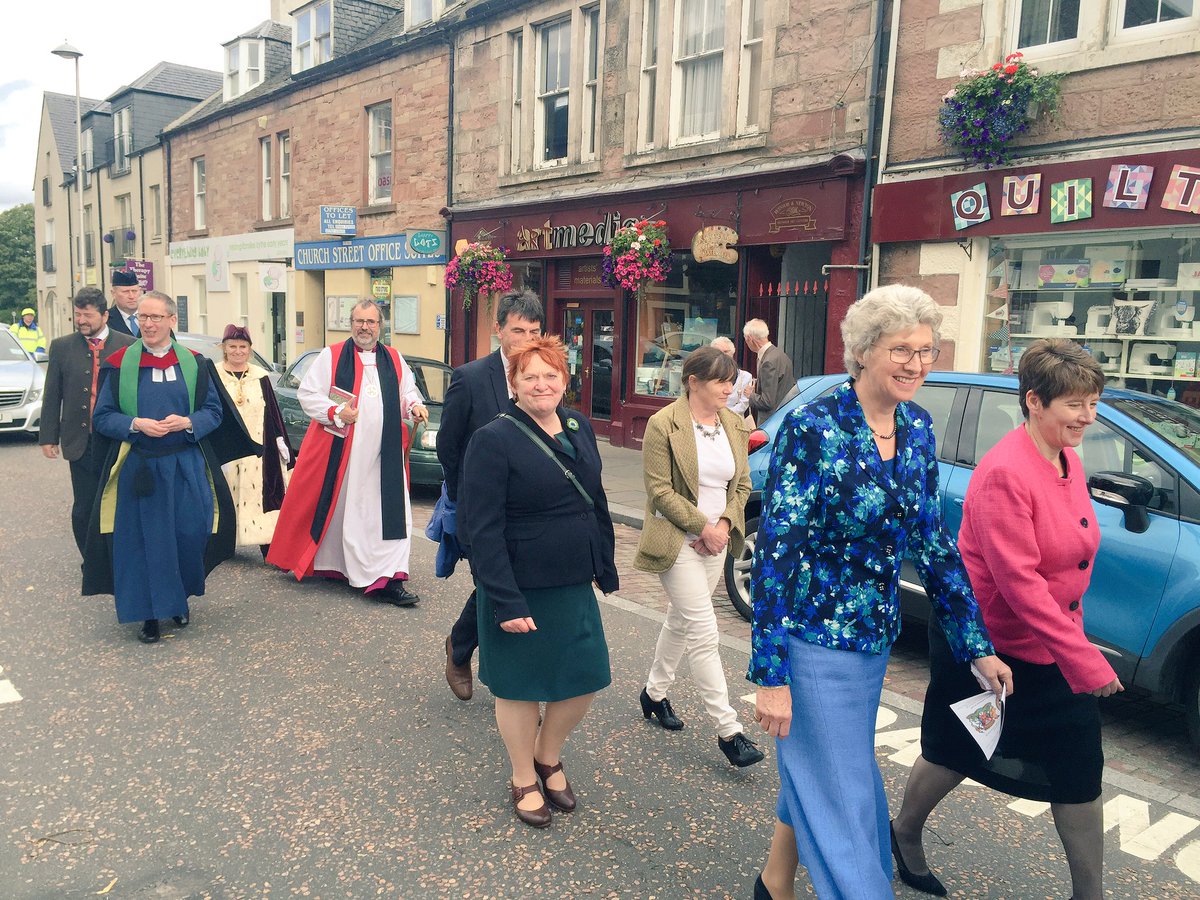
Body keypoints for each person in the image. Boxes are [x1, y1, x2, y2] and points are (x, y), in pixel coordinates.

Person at [749, 285, 1012, 900]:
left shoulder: (916, 425)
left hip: (871, 639)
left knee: (826, 766)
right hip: (812, 639)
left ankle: (774, 882)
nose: (917, 364)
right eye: (901, 349)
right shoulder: (814, 426)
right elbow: (777, 552)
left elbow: (932, 541)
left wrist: (975, 644)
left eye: (927, 350)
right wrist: (770, 673)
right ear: (863, 351)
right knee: (845, 795)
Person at [891, 338, 1118, 900]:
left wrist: (1073, 646)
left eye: (1093, 402)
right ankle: (904, 833)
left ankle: (1089, 894)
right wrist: (1086, 661)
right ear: (1035, 402)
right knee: (955, 749)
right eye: (1075, 405)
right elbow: (1020, 584)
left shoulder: (1068, 456)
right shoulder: (1003, 474)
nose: (1087, 417)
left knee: (1079, 771)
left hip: (1052, 644)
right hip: (991, 648)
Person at [461, 336, 618, 828]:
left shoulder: (578, 425)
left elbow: (594, 498)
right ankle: (523, 775)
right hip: (519, 585)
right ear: (514, 384)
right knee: (520, 688)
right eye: (530, 376)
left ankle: (549, 755)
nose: (541, 384)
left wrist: (604, 562)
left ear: (564, 381)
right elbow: (480, 528)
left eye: (550, 375)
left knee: (585, 678)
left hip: (571, 581)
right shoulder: (493, 438)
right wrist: (504, 601)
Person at [634, 345, 763, 768]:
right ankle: (730, 731)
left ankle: (653, 694)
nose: (731, 388)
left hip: (716, 540)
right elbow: (660, 490)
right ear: (693, 382)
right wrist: (701, 527)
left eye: (732, 380)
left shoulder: (733, 424)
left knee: (681, 619)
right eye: (720, 381)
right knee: (704, 631)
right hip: (677, 541)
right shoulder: (662, 424)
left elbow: (741, 486)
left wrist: (722, 527)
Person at [83, 291, 238, 644]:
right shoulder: (120, 363)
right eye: (142, 318)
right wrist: (137, 424)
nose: (148, 324)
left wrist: (187, 421)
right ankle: (149, 614)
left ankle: (179, 599)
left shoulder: (195, 363)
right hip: (142, 468)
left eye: (155, 317)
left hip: (185, 465)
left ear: (172, 321)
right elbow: (103, 416)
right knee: (145, 542)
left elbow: (214, 412)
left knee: (188, 534)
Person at [267, 300, 428, 607]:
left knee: (388, 515)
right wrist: (336, 410)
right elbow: (307, 393)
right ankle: (344, 567)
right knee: (344, 512)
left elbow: (407, 391)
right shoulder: (332, 355)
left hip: (385, 454)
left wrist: (414, 405)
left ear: (380, 326)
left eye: (370, 322)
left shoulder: (393, 358)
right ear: (350, 323)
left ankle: (388, 577)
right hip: (344, 455)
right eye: (358, 321)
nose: (364, 327)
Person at [438, 289, 544, 701]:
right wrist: (465, 496)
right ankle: (466, 653)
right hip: (481, 509)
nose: (526, 340)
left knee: (510, 582)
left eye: (534, 331)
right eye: (518, 330)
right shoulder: (470, 378)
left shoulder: (542, 375)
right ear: (499, 329)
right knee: (491, 582)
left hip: (526, 508)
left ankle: (462, 644)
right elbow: (449, 446)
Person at [39, 288, 136, 555]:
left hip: (116, 439)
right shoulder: (61, 347)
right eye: (78, 314)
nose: (81, 320)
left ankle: (116, 556)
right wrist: (48, 436)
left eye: (87, 315)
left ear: (105, 315)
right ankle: (91, 559)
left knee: (117, 502)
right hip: (79, 440)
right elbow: (52, 394)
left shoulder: (128, 345)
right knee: (84, 507)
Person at [216, 324, 294, 557]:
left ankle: (267, 543)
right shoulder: (214, 373)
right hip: (227, 444)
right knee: (226, 493)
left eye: (242, 347)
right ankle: (223, 542)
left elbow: (273, 412)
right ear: (224, 348)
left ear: (249, 349)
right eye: (233, 346)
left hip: (258, 446)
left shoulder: (260, 376)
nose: (238, 351)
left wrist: (281, 441)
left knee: (261, 493)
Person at [742, 319, 794, 422]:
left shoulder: (768, 362)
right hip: (782, 417)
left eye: (745, 339)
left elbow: (767, 402)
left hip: (771, 422)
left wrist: (750, 395)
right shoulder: (780, 355)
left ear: (750, 338)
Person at [710, 336, 753, 418]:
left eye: (726, 352)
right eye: (718, 352)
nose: (722, 355)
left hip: (735, 421)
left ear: (733, 352)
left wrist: (724, 415)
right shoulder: (707, 376)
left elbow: (744, 403)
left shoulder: (745, 376)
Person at [105, 270, 143, 337]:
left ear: (140, 291)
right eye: (125, 292)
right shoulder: (105, 320)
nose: (131, 296)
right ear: (113, 294)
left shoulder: (151, 316)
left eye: (134, 291)